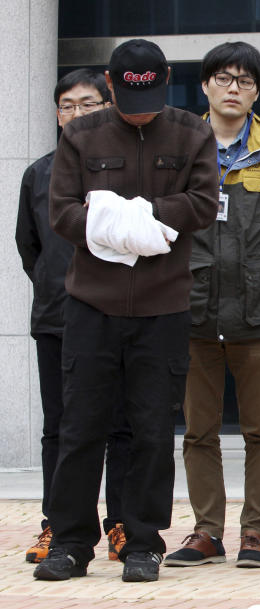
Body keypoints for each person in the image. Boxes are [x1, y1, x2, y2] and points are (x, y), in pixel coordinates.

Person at [34, 38, 219, 583]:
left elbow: (204, 204)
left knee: (151, 429)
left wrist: (135, 219)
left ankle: (143, 540)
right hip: (91, 303)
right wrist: (120, 233)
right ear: (111, 86)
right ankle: (69, 541)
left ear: (165, 78)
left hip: (163, 304)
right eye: (131, 96)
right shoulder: (80, 134)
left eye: (153, 94)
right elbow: (62, 213)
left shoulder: (192, 131)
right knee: (81, 426)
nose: (143, 108)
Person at [162, 41, 260, 570]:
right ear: (204, 86)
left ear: (256, 91)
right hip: (192, 308)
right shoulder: (180, 146)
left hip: (259, 310)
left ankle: (255, 534)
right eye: (223, 79)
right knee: (198, 431)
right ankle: (206, 532)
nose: (233, 89)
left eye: (244, 81)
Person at [16, 68, 132, 566]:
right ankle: (56, 524)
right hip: (58, 318)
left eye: (88, 104)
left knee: (121, 426)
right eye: (68, 105)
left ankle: (122, 523)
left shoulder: (129, 167)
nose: (77, 113)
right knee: (60, 429)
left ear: (108, 106)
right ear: (57, 114)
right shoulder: (38, 173)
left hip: (122, 315)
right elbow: (31, 247)